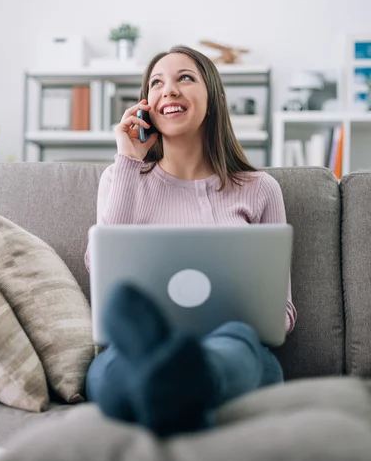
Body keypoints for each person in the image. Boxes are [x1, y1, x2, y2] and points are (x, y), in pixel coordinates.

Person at [84, 45, 297, 437]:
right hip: (136, 349)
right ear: (146, 106)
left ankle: (172, 382)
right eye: (156, 83)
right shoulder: (119, 179)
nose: (169, 90)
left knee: (236, 344)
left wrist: (240, 319)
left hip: (234, 346)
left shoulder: (259, 189)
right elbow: (104, 277)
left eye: (185, 77)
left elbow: (281, 315)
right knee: (109, 371)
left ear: (215, 98)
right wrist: (129, 160)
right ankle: (175, 388)